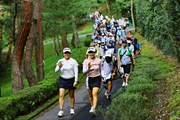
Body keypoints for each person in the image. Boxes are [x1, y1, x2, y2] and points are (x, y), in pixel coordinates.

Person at [55, 47, 78, 118]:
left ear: (70, 53)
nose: (67, 54)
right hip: (63, 79)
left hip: (71, 79)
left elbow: (76, 72)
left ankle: (72, 108)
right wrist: (59, 67)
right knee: (61, 95)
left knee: (71, 95)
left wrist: (76, 80)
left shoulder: (73, 61)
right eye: (65, 53)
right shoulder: (60, 61)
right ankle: (61, 110)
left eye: (68, 53)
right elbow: (55, 71)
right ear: (63, 54)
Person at [83, 47, 102, 116]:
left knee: (95, 93)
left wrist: (102, 77)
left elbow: (100, 69)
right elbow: (84, 72)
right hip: (89, 79)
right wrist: (88, 67)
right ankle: (92, 106)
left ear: (94, 53)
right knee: (90, 94)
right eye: (90, 52)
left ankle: (94, 108)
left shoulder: (99, 60)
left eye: (92, 52)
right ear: (88, 53)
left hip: (97, 78)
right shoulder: (85, 61)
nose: (91, 54)